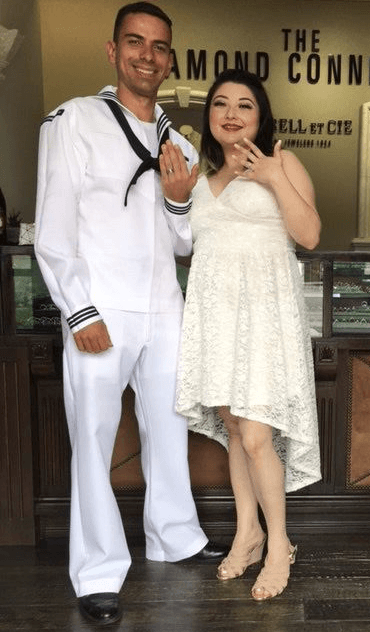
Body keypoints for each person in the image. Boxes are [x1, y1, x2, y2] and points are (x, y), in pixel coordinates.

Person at [35, 2, 227, 626]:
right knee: (92, 438)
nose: (148, 55)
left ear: (170, 60)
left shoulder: (180, 143)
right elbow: (53, 229)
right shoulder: (74, 121)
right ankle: (97, 572)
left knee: (168, 426)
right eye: (136, 42)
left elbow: (185, 244)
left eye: (160, 46)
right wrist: (79, 309)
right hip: (102, 306)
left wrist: (178, 201)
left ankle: (175, 536)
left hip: (163, 306)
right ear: (113, 50)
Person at [176, 68, 322, 601]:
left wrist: (273, 179)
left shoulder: (283, 161)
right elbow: (186, 248)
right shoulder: (198, 178)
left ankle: (279, 543)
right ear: (209, 115)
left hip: (265, 317)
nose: (231, 114)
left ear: (262, 118)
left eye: (244, 105)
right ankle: (248, 534)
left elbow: (309, 235)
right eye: (221, 103)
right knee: (236, 431)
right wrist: (174, 198)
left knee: (258, 436)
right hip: (217, 318)